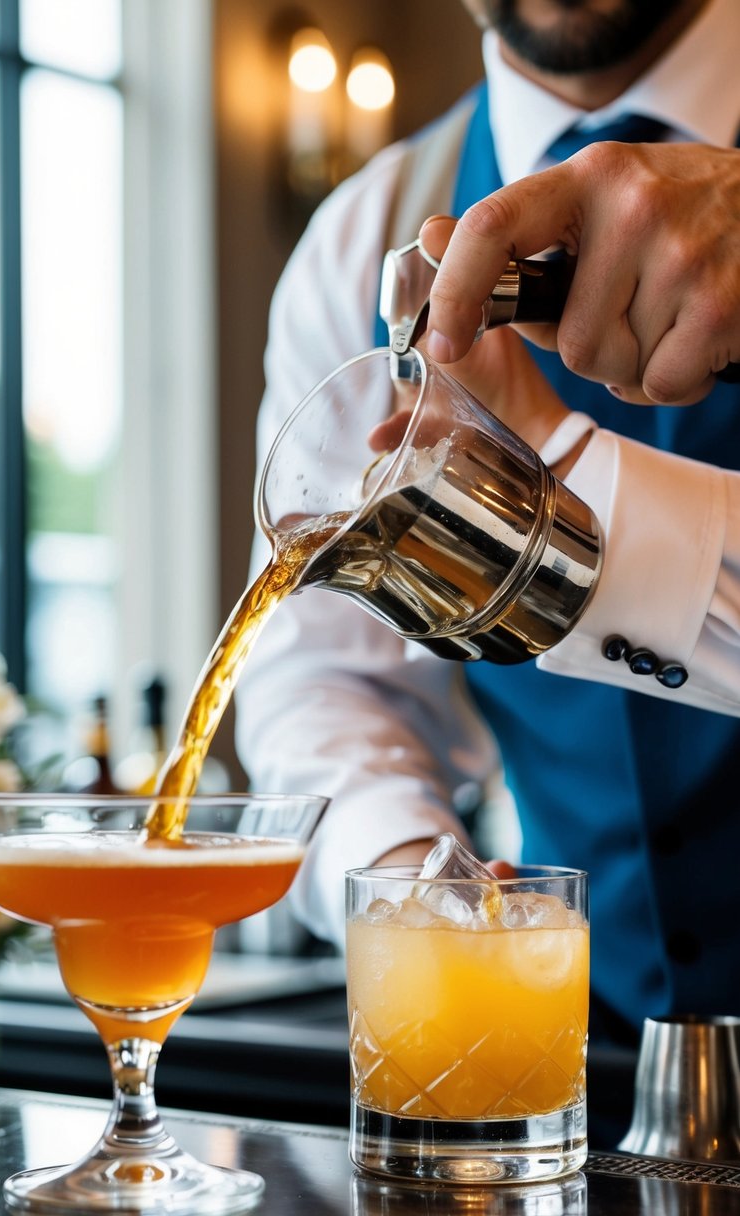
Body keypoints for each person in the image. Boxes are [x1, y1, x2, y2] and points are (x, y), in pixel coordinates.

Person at [235, 0, 740, 1138]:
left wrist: (560, 469)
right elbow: (325, 675)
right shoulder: (364, 234)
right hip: (591, 1078)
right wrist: (420, 886)